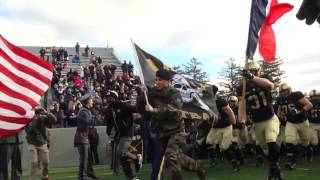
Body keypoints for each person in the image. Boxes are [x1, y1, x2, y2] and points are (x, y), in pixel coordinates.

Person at [139, 69, 206, 180]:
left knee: (172, 157)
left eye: (160, 80)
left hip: (176, 132)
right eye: (156, 79)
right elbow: (140, 106)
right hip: (162, 134)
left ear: (168, 81)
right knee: (178, 158)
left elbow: (173, 109)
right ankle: (197, 165)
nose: (157, 82)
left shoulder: (175, 93)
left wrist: (154, 110)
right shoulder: (152, 92)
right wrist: (142, 93)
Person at [237, 61, 282, 180]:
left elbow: (270, 86)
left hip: (270, 118)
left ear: (258, 71)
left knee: (271, 139)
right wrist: (241, 121)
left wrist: (252, 77)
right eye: (249, 72)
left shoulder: (264, 78)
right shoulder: (242, 88)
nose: (251, 73)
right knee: (265, 149)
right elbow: (242, 107)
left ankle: (274, 168)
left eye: (253, 71)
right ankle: (275, 169)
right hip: (257, 122)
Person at [106, 90, 141, 180]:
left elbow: (135, 109)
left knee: (121, 152)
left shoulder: (122, 105)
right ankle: (131, 176)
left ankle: (136, 158)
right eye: (107, 97)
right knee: (121, 157)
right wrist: (109, 134)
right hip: (118, 135)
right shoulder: (109, 109)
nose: (108, 99)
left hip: (127, 133)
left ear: (114, 97)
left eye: (110, 97)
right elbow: (109, 123)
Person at [277, 83, 313, 169]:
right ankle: (291, 161)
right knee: (290, 140)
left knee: (305, 142)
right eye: (282, 91)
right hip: (291, 122)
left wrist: (299, 110)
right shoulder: (280, 99)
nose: (284, 93)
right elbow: (280, 109)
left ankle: (309, 150)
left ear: (289, 89)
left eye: (285, 91)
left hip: (302, 121)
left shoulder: (296, 95)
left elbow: (309, 105)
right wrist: (281, 115)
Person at [206, 96, 239, 171]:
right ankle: (213, 160)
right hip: (215, 127)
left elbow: (231, 114)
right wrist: (210, 121)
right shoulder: (205, 102)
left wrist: (234, 127)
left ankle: (235, 163)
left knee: (224, 147)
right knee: (209, 141)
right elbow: (208, 118)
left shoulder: (220, 102)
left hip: (226, 126)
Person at [25, 106, 57, 180]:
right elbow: (29, 130)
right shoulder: (28, 119)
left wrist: (47, 113)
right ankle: (32, 178)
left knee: (46, 162)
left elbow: (54, 120)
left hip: (42, 143)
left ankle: (45, 176)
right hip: (32, 143)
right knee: (34, 162)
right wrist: (35, 118)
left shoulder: (42, 118)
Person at [74, 93, 98, 180]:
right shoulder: (83, 111)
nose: (92, 102)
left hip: (84, 137)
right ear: (88, 101)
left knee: (87, 158)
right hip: (81, 137)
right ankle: (82, 176)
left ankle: (89, 173)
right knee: (84, 158)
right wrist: (94, 117)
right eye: (91, 100)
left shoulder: (86, 110)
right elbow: (89, 122)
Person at [307, 89, 320, 156]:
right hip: (312, 124)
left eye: (316, 97)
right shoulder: (308, 104)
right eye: (313, 97)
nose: (315, 99)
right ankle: (314, 149)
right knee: (314, 142)